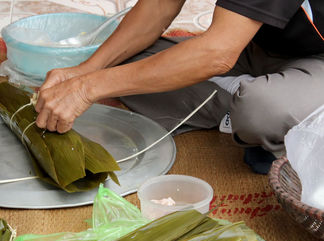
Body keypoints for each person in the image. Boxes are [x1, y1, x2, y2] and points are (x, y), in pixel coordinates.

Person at [33, 0, 324, 174]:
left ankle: (262, 107)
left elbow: (217, 54)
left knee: (260, 111)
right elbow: (158, 8)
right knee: (124, 66)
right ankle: (251, 101)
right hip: (253, 42)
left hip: (316, 58)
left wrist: (86, 89)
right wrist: (86, 72)